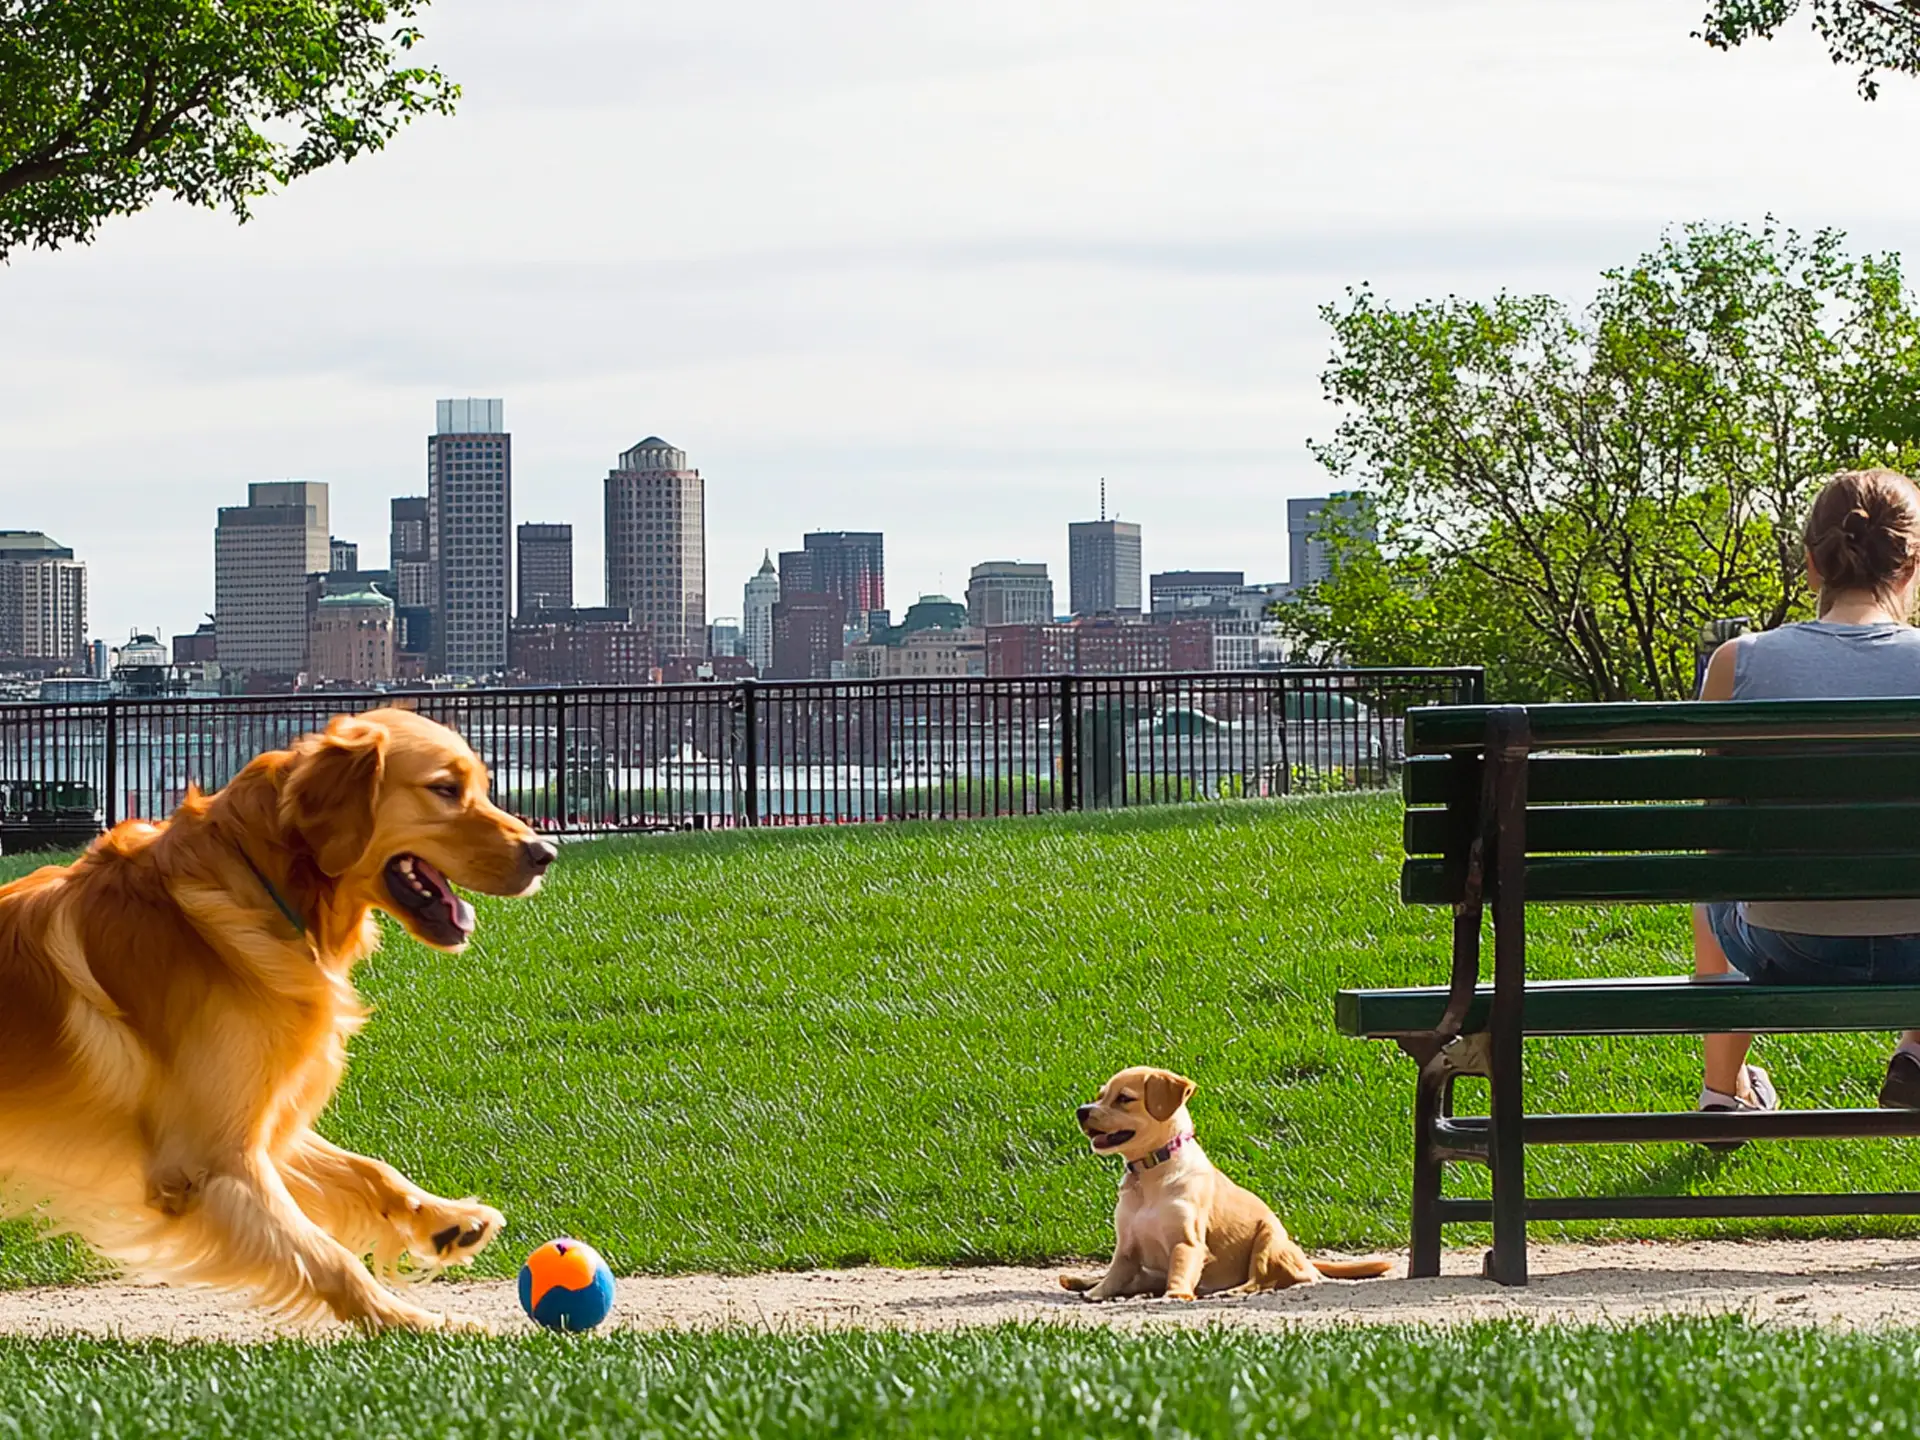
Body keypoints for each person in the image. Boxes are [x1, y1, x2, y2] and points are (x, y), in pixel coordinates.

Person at [1695, 468, 1920, 1135]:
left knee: (1714, 874)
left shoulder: (1741, 662)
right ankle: (1916, 1052)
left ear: (1813, 562)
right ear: (1911, 565)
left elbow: (1720, 822)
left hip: (1787, 944)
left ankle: (1723, 1090)